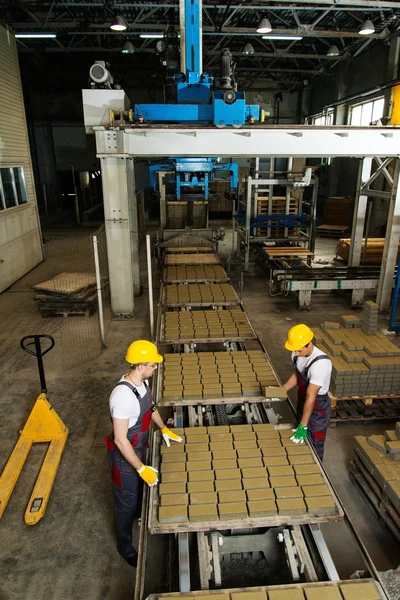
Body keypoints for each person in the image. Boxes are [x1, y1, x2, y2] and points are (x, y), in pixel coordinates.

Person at [105, 339, 182, 567]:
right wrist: (140, 468)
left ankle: (138, 511)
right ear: (140, 366)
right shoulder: (122, 397)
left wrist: (164, 428)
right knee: (126, 503)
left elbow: (151, 406)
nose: (156, 367)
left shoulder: (141, 384)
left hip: (140, 448)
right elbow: (120, 439)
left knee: (136, 494)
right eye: (152, 364)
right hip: (124, 459)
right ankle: (125, 547)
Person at [282, 324, 332, 462]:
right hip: (303, 398)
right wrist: (282, 389)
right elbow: (298, 375)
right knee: (301, 434)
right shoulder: (296, 353)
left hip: (317, 406)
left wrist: (303, 426)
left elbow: (312, 397)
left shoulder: (320, 364)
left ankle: (316, 472)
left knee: (314, 439)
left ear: (309, 344)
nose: (296, 353)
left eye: (299, 350)